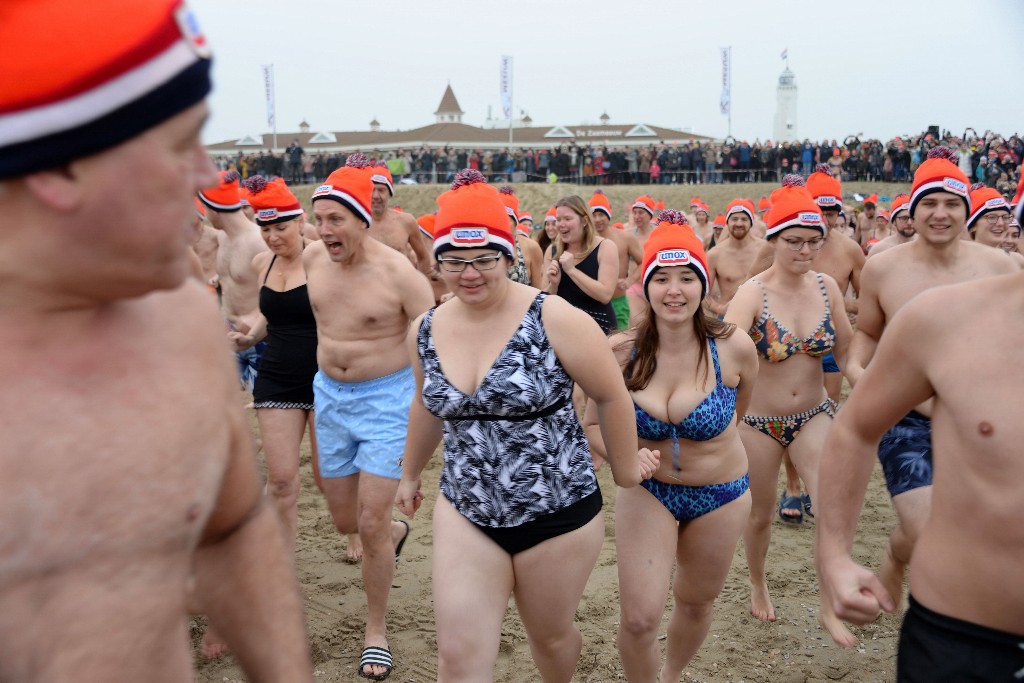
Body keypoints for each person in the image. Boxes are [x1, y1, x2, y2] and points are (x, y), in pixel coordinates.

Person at [0, 1, 312, 679]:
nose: (206, 178)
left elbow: (232, 529)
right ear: (59, 169)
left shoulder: (180, 322)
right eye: (181, 145)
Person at [395, 170, 657, 682]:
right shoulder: (424, 329)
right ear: (438, 261)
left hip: (556, 510)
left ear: (508, 257)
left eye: (484, 260)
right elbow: (427, 405)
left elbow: (610, 394)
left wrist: (625, 469)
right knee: (458, 656)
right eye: (454, 261)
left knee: (550, 636)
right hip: (467, 505)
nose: (469, 273)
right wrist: (409, 474)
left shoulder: (553, 317)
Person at [815, 271, 1024, 679]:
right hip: (963, 632)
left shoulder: (985, 263)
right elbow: (857, 426)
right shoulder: (945, 316)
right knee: (916, 518)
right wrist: (833, 556)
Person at [843, 147, 1018, 626]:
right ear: (913, 209)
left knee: (976, 524)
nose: (940, 214)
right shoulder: (883, 266)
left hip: (975, 413)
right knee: (926, 529)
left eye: (952, 204)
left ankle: (901, 562)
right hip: (906, 416)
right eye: (929, 204)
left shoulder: (999, 269)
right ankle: (914, 577)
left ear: (967, 211)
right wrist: (860, 373)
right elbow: (867, 335)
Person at [584, 212, 757, 682]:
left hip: (720, 493)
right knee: (639, 618)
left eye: (686, 277)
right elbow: (592, 424)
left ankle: (672, 674)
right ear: (645, 284)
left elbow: (741, 404)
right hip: (649, 490)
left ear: (703, 283)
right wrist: (627, 455)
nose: (674, 290)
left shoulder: (734, 347)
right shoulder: (619, 350)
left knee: (696, 602)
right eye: (661, 278)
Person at [305, 161, 433, 679]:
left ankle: (374, 631)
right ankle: (393, 532)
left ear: (361, 219)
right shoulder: (312, 258)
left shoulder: (399, 273)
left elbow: (435, 343)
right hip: (329, 398)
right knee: (344, 522)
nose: (324, 230)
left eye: (335, 219)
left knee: (369, 522)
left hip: (388, 402)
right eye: (319, 219)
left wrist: (430, 423)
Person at [723, 176, 853, 625]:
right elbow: (725, 355)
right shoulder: (751, 294)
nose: (804, 251)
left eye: (813, 242)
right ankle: (758, 582)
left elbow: (848, 350)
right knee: (759, 517)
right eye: (794, 241)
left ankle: (828, 596)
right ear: (774, 239)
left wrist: (870, 384)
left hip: (814, 414)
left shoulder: (827, 288)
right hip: (757, 422)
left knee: (829, 508)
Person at [746, 165, 866, 517]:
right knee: (759, 512)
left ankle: (809, 486)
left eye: (832, 212)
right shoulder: (776, 249)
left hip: (825, 344)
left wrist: (840, 306)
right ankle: (793, 486)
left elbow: (865, 303)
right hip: (775, 360)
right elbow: (748, 291)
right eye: (820, 210)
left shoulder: (850, 251)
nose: (825, 219)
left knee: (820, 415)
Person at [229, 176, 320, 557]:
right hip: (276, 375)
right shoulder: (261, 262)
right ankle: (280, 563)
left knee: (329, 477)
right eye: (265, 229)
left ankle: (357, 531)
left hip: (325, 377)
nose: (272, 237)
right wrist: (250, 338)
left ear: (300, 222)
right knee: (281, 481)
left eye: (281, 227)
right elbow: (271, 314)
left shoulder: (323, 259)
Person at [198, 170, 268, 392]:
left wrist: (254, 327)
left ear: (214, 208)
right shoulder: (222, 238)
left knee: (262, 406)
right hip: (229, 337)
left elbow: (278, 291)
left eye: (205, 207)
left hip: (260, 339)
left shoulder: (258, 241)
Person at [543, 195, 619, 334]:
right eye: (558, 219)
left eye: (567, 219)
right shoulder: (552, 251)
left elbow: (605, 294)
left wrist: (572, 270)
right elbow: (543, 301)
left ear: (584, 221)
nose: (561, 224)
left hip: (599, 328)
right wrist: (553, 285)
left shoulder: (605, 247)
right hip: (565, 330)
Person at [365, 159, 434, 275]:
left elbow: (422, 257)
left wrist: (423, 283)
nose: (376, 196)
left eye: (381, 190)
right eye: (372, 190)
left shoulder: (406, 222)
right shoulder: (357, 223)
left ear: (390, 193)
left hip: (400, 288)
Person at [589, 190, 643, 330]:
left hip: (617, 301)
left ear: (608, 215)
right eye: (593, 215)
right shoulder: (584, 241)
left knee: (619, 346)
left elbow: (643, 262)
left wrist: (629, 281)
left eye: (601, 214)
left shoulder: (625, 238)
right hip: (591, 302)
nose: (597, 219)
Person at [707, 198, 762, 318]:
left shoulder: (764, 250)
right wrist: (719, 309)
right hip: (729, 318)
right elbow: (703, 295)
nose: (739, 223)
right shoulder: (715, 254)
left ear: (751, 222)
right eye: (734, 219)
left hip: (762, 318)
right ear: (727, 222)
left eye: (744, 219)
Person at [967, 183, 1024, 267]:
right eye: (992, 217)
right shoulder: (957, 264)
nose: (1001, 223)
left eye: (1005, 217)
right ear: (973, 226)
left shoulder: (1017, 262)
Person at [498, 186, 544, 287]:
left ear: (515, 223)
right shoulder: (486, 247)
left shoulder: (531, 247)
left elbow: (538, 291)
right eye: (497, 218)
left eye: (506, 219)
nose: (501, 223)